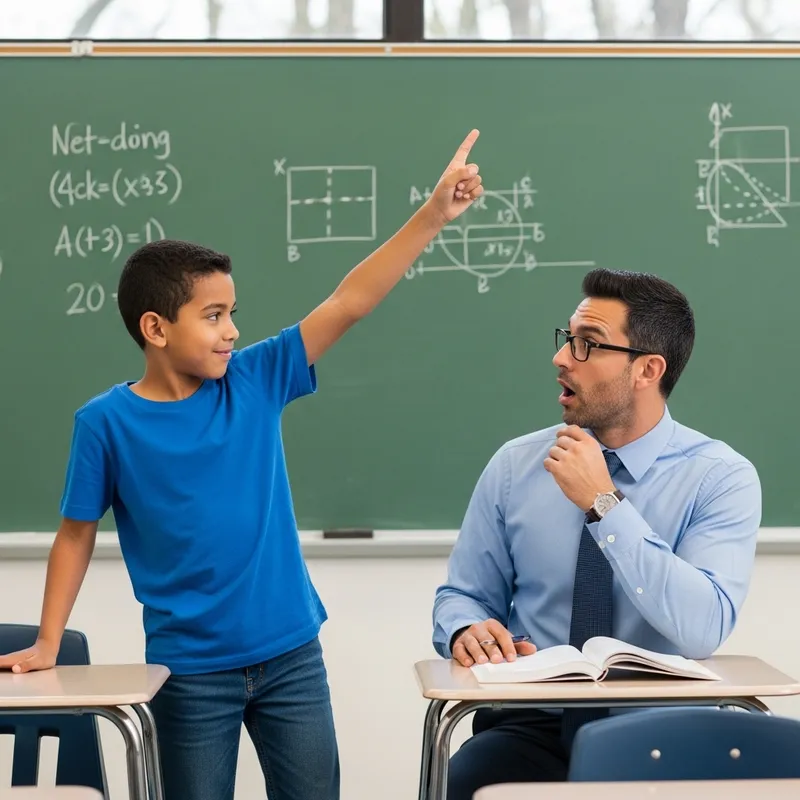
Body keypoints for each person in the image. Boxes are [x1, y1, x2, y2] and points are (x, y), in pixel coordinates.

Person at [0, 130, 485, 800]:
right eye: (215, 315)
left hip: (291, 656)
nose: (232, 330)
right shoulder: (105, 424)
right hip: (190, 671)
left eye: (234, 314)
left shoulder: (254, 380)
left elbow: (349, 301)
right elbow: (76, 532)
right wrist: (49, 640)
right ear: (156, 328)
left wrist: (432, 216)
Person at [431, 268, 762, 799]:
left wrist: (604, 504)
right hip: (531, 724)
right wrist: (464, 628)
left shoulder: (720, 477)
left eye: (587, 345)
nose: (562, 359)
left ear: (648, 369)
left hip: (666, 727)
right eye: (567, 340)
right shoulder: (517, 465)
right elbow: (464, 596)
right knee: (466, 780)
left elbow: (704, 628)